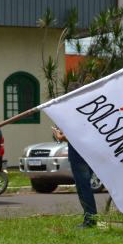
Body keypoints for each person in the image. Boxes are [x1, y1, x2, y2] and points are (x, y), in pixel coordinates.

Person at [54, 82, 97, 229]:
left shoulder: (72, 111)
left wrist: (60, 137)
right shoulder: (90, 108)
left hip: (79, 156)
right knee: (86, 187)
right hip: (90, 154)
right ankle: (91, 218)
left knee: (83, 188)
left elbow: (71, 135)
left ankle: (90, 220)